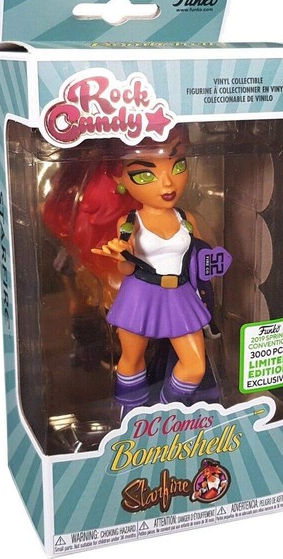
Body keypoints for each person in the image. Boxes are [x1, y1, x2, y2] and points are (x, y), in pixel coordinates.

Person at [44, 128, 218, 416]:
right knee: (132, 359)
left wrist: (212, 266)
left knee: (194, 366)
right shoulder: (129, 222)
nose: (167, 182)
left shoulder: (186, 219)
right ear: (120, 179)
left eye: (177, 166)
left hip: (180, 295)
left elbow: (199, 258)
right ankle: (130, 415)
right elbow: (126, 268)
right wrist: (121, 254)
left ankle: (163, 413)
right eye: (145, 174)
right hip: (141, 295)